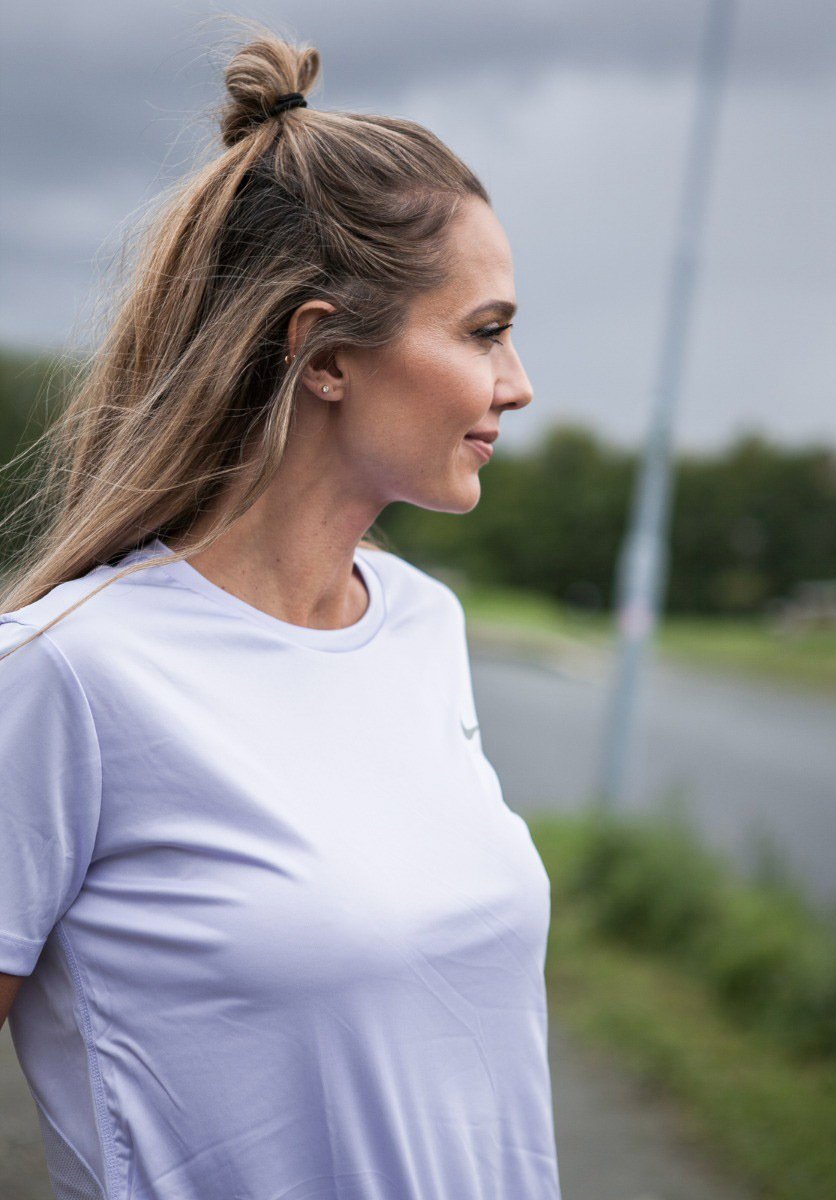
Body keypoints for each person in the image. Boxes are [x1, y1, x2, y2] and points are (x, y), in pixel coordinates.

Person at [0, 22, 561, 1200]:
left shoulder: (421, 627)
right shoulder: (64, 674)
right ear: (324, 354)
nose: (516, 384)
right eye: (485, 331)